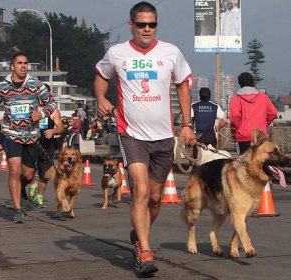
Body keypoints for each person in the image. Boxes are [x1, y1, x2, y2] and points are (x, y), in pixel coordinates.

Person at [94, 1, 195, 275]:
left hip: (163, 137)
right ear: (131, 26)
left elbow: (183, 85)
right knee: (138, 192)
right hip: (132, 135)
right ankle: (145, 253)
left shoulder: (171, 52)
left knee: (154, 198)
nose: (147, 29)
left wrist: (186, 125)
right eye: (141, 24)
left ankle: (139, 235)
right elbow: (101, 76)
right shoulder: (117, 53)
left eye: (152, 24)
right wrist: (101, 97)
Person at [0, 52, 56, 223]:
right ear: (12, 66)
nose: (23, 66)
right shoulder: (2, 87)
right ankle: (17, 210)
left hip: (32, 136)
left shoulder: (36, 85)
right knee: (14, 170)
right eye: (19, 63)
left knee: (29, 175)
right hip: (11, 134)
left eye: (25, 63)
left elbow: (52, 103)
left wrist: (42, 113)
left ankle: (20, 188)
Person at [229, 72, 277, 154]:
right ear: (253, 83)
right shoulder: (263, 97)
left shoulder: (236, 99)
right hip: (260, 136)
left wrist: (235, 130)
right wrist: (265, 123)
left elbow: (234, 118)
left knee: (246, 163)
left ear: (240, 83)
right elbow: (273, 113)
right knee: (260, 162)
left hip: (243, 136)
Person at [27, 109, 64, 208]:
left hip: (47, 147)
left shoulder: (54, 112)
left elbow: (61, 128)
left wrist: (53, 131)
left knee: (45, 174)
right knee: (29, 172)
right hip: (32, 144)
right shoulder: (32, 107)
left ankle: (39, 196)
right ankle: (33, 184)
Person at [191, 87, 227, 155]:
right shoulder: (215, 106)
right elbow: (225, 120)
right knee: (212, 157)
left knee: (197, 157)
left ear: (200, 96)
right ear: (210, 96)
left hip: (198, 135)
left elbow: (189, 120)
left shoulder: (194, 106)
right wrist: (217, 128)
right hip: (211, 135)